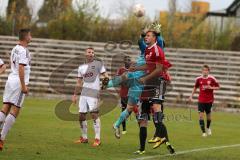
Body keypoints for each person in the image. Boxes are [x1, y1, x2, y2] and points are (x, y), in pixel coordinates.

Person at [130, 30, 175, 154]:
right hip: (148, 84)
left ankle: (162, 137)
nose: (146, 37)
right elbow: (148, 66)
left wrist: (144, 78)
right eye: (146, 36)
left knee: (156, 110)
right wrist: (137, 68)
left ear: (155, 38)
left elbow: (159, 70)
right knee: (143, 117)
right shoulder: (147, 50)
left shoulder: (157, 49)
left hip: (157, 82)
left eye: (148, 36)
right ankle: (142, 148)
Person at [0, 29, 32, 151]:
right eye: (30, 35)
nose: (31, 37)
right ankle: (1, 138)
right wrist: (23, 85)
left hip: (10, 80)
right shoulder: (23, 50)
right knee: (15, 110)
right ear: (26, 37)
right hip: (18, 82)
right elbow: (21, 68)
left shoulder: (15, 48)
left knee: (5, 108)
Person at [72, 47, 109, 147]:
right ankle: (84, 138)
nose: (91, 53)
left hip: (93, 93)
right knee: (81, 115)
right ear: (85, 54)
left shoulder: (98, 64)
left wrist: (104, 84)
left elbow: (106, 76)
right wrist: (75, 95)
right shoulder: (81, 67)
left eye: (93, 52)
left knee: (94, 114)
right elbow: (79, 82)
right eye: (89, 52)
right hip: (84, 93)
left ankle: (97, 139)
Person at [189, 65, 220, 137]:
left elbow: (218, 87)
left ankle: (208, 128)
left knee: (208, 117)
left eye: (206, 70)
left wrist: (211, 87)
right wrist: (191, 96)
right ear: (202, 71)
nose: (205, 71)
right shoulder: (198, 79)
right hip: (201, 100)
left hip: (209, 100)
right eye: (204, 70)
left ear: (208, 71)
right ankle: (203, 132)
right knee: (201, 116)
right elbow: (195, 87)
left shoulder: (212, 78)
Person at [116, 56, 131, 134]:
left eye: (129, 60)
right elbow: (117, 80)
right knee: (123, 110)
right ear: (124, 61)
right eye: (127, 60)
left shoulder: (134, 70)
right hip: (124, 94)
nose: (129, 61)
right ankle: (124, 129)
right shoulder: (121, 70)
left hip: (132, 94)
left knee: (130, 111)